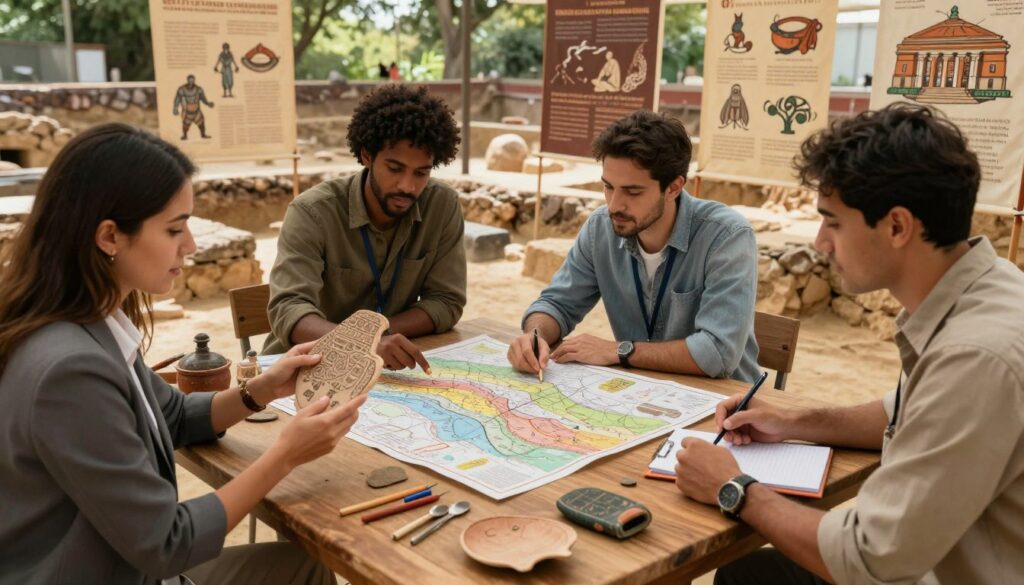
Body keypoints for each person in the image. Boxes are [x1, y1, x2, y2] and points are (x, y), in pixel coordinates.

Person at [0, 123, 366, 585]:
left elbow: (170, 416)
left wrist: (261, 390)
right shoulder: (68, 370)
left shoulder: (92, 323)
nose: (190, 245)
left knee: (302, 565)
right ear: (109, 237)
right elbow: (167, 543)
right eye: (174, 228)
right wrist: (285, 455)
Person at [674, 103, 1024, 584]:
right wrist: (793, 422)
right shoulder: (987, 288)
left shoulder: (974, 356)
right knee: (752, 574)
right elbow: (900, 409)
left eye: (833, 222)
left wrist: (732, 487)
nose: (820, 242)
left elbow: (869, 557)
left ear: (898, 226)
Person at [508, 111, 760, 382]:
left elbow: (717, 353)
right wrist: (535, 336)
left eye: (633, 192)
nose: (614, 205)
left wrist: (619, 351)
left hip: (723, 405)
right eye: (608, 187)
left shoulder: (727, 237)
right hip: (640, 394)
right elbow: (556, 303)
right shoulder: (600, 228)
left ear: (674, 187)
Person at [263, 84, 465, 373]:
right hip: (302, 370)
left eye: (421, 172)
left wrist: (377, 337)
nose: (408, 186)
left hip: (385, 371)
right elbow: (288, 309)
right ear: (367, 155)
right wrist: (363, 342)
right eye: (395, 169)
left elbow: (447, 302)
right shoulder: (312, 212)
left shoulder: (442, 206)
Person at [172, 74, 214, 140]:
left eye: (192, 81)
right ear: (187, 80)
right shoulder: (182, 89)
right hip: (187, 111)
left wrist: (208, 103)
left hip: (196, 111)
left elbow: (203, 98)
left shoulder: (198, 89)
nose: (191, 82)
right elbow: (177, 99)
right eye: (190, 80)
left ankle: (203, 135)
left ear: (194, 81)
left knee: (201, 123)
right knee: (185, 124)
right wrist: (175, 108)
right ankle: (185, 136)